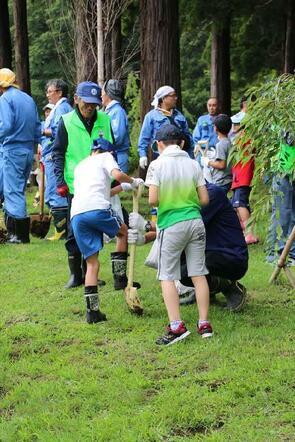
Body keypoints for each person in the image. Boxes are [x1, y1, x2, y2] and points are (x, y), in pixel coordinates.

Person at [128, 183, 248, 311]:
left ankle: (230, 287)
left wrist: (147, 225)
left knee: (186, 270)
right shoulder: (185, 196)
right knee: (182, 269)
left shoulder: (210, 195)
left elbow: (181, 225)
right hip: (208, 251)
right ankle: (207, 291)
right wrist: (144, 238)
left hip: (230, 256)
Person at [145, 124, 213, 346]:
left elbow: (153, 200)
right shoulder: (193, 164)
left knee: (167, 275)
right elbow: (204, 200)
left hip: (172, 224)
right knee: (198, 273)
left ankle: (176, 326)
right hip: (195, 222)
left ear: (159, 144)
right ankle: (204, 324)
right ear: (182, 143)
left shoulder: (157, 165)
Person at [71, 137, 143, 323]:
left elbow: (102, 192)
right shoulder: (105, 157)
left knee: (92, 264)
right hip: (98, 210)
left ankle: (92, 313)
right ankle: (120, 278)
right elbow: (118, 175)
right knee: (123, 232)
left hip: (77, 214)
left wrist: (123, 187)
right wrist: (133, 181)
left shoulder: (80, 166)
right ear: (109, 152)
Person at [52, 81, 113, 289]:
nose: (90, 108)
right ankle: (75, 274)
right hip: (74, 185)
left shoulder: (105, 119)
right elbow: (57, 152)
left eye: (94, 104)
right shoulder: (66, 121)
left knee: (94, 228)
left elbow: (110, 149)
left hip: (98, 184)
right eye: (87, 103)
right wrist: (60, 180)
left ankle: (90, 272)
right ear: (76, 99)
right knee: (73, 229)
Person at [0, 68, 41, 243]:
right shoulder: (28, 99)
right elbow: (38, 127)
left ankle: (19, 236)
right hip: (27, 151)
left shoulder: (5, 98)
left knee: (12, 190)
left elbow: (6, 125)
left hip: (13, 149)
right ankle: (15, 232)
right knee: (18, 189)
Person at [138, 85, 194, 177]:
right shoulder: (151, 116)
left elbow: (188, 136)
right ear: (164, 98)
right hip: (162, 157)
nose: (176, 98)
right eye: (173, 96)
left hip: (181, 156)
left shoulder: (179, 115)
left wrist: (192, 153)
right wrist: (142, 155)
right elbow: (144, 137)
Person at [41, 79, 72, 240]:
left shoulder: (62, 108)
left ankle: (61, 231)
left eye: (50, 91)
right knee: (50, 193)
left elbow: (58, 131)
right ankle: (61, 229)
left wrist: (41, 130)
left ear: (59, 92)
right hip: (50, 153)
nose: (47, 95)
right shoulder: (59, 108)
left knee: (56, 192)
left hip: (55, 154)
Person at [230, 103, 259, 245]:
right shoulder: (242, 138)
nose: (233, 127)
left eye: (236, 124)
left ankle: (249, 234)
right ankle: (249, 232)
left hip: (243, 177)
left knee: (240, 203)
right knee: (241, 204)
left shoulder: (244, 138)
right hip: (239, 177)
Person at [102, 79, 130, 173]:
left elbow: (117, 137)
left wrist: (102, 146)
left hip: (118, 157)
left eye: (102, 92)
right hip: (112, 156)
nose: (101, 95)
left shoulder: (117, 112)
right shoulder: (110, 111)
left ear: (108, 94)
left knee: (118, 187)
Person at [201, 114, 232, 194]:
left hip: (221, 181)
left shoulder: (220, 144)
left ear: (216, 128)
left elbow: (221, 164)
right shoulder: (228, 142)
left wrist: (208, 162)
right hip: (228, 180)